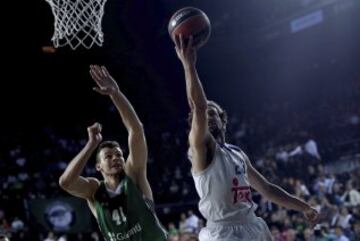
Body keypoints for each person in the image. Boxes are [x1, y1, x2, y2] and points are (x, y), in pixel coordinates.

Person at [174, 34, 320, 241]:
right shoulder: (201, 148)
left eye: (213, 113)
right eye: (204, 116)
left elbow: (267, 190)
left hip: (252, 224)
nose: (208, 117)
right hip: (222, 231)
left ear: (223, 120)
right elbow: (199, 107)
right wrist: (189, 65)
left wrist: (304, 207)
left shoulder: (237, 153)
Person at [59, 65, 167, 241]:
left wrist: (115, 94)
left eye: (119, 154)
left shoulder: (134, 176)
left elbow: (136, 130)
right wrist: (91, 144)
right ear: (98, 167)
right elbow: (66, 182)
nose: (116, 157)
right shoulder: (94, 191)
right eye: (108, 156)